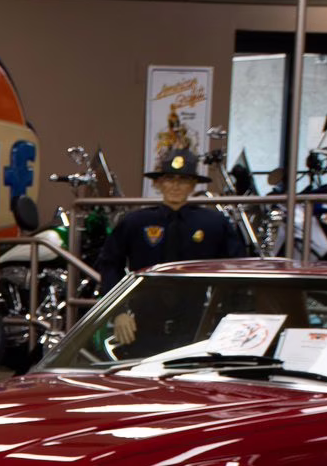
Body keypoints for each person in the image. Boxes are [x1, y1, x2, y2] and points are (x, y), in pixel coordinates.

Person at [97, 144, 247, 348]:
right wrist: (118, 312)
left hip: (197, 326)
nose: (176, 186)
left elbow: (237, 270)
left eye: (184, 180)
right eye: (169, 179)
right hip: (142, 326)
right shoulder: (135, 222)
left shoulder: (213, 224)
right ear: (158, 183)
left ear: (193, 185)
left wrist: (229, 316)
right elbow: (110, 265)